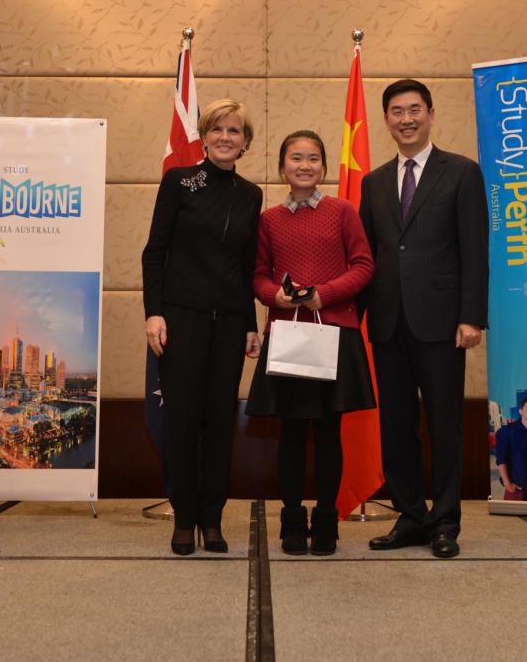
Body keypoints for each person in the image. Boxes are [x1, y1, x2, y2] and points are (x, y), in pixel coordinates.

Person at [358, 79, 489, 558]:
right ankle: (410, 516)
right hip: (388, 322)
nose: (406, 119)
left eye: (415, 109)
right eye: (396, 111)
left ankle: (446, 523)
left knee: (444, 424)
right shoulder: (373, 183)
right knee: (396, 426)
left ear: (431, 114)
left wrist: (471, 316)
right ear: (386, 119)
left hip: (442, 323)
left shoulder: (462, 172)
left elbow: (475, 251)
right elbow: (366, 258)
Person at [141, 98, 263, 556]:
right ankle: (184, 517)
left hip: (230, 324)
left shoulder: (251, 195)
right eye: (218, 129)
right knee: (183, 420)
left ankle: (212, 519)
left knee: (219, 422)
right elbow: (155, 252)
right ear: (205, 136)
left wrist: (251, 323)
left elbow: (246, 264)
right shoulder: (179, 182)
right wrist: (153, 312)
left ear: (245, 142)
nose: (226, 137)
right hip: (181, 320)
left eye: (235, 131)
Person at [246, 130, 376, 555]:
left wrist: (326, 293)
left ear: (323, 166)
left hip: (334, 333)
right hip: (288, 335)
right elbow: (258, 275)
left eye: (313, 158)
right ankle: (291, 524)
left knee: (329, 434)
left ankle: (325, 525)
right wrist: (274, 296)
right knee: (291, 434)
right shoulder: (268, 220)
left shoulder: (342, 211)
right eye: (296, 158)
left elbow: (364, 266)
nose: (305, 165)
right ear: (283, 167)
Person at [495, 398, 527, 501]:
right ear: (520, 411)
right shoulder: (507, 431)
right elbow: (500, 460)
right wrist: (508, 484)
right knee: (513, 516)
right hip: (515, 487)